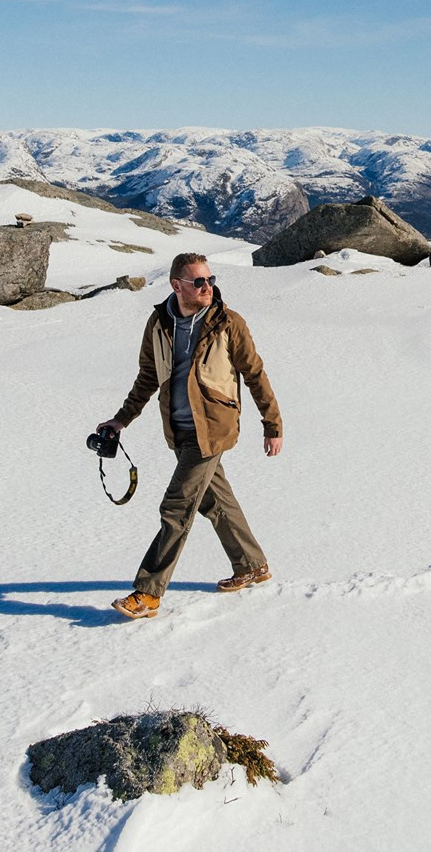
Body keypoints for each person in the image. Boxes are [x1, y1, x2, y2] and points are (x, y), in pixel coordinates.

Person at [97, 253, 283, 620]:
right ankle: (251, 564)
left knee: (176, 507)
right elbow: (147, 378)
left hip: (213, 427)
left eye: (210, 280)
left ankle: (148, 593)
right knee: (214, 501)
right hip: (179, 429)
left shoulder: (228, 322)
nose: (207, 287)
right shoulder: (159, 323)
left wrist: (272, 425)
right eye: (198, 282)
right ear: (176, 286)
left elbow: (255, 374)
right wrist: (121, 421)